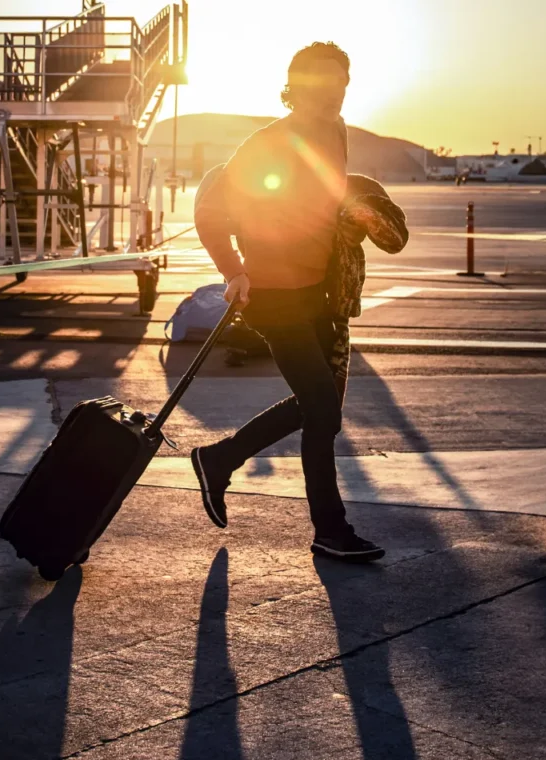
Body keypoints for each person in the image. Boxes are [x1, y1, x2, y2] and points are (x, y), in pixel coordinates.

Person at [191, 42, 385, 563]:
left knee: (318, 407)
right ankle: (330, 528)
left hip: (317, 294)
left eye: (340, 81)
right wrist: (234, 271)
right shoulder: (268, 144)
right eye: (319, 84)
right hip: (272, 296)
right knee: (322, 408)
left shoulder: (336, 133)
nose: (332, 92)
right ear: (295, 89)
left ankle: (219, 459)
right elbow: (211, 211)